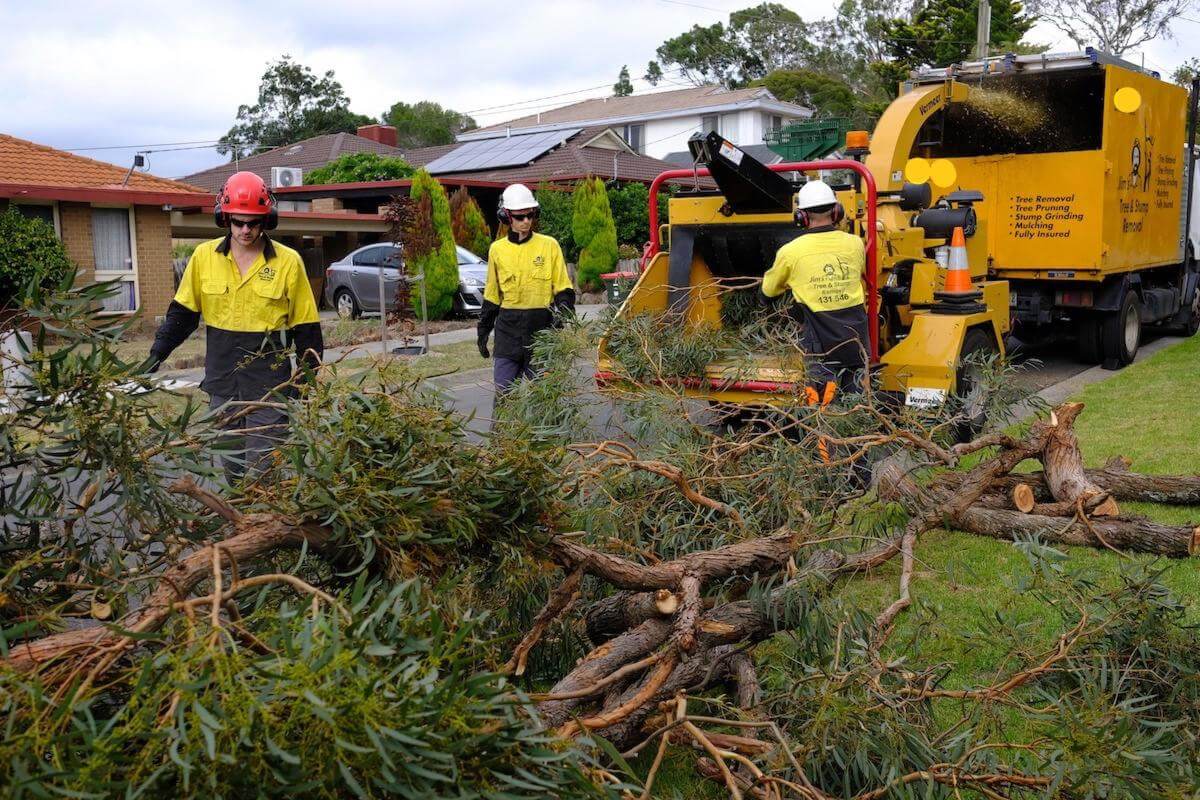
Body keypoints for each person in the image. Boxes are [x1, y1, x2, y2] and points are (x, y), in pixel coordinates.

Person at [148, 170, 323, 481]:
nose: (245, 229)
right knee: (232, 472)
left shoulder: (288, 261)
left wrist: (301, 387)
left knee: (263, 472)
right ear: (223, 217)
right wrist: (155, 356)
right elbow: (182, 315)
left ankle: (267, 525)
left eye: (253, 222)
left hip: (270, 390)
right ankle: (242, 525)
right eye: (238, 221)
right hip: (222, 387)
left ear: (267, 219)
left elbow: (307, 330)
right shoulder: (203, 257)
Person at [761, 179, 869, 402]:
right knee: (855, 403)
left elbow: (768, 293)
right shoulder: (855, 243)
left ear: (801, 216)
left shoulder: (791, 252)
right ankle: (856, 433)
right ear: (836, 211)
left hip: (820, 348)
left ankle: (824, 436)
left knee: (822, 404)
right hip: (855, 342)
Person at [476, 183, 575, 394]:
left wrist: (564, 311)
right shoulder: (497, 250)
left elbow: (563, 287)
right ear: (507, 217)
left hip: (541, 328)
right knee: (504, 394)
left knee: (546, 396)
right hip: (508, 331)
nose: (526, 221)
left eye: (530, 215)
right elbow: (492, 295)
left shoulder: (549, 245)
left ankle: (550, 427)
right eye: (520, 217)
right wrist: (483, 330)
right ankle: (504, 429)